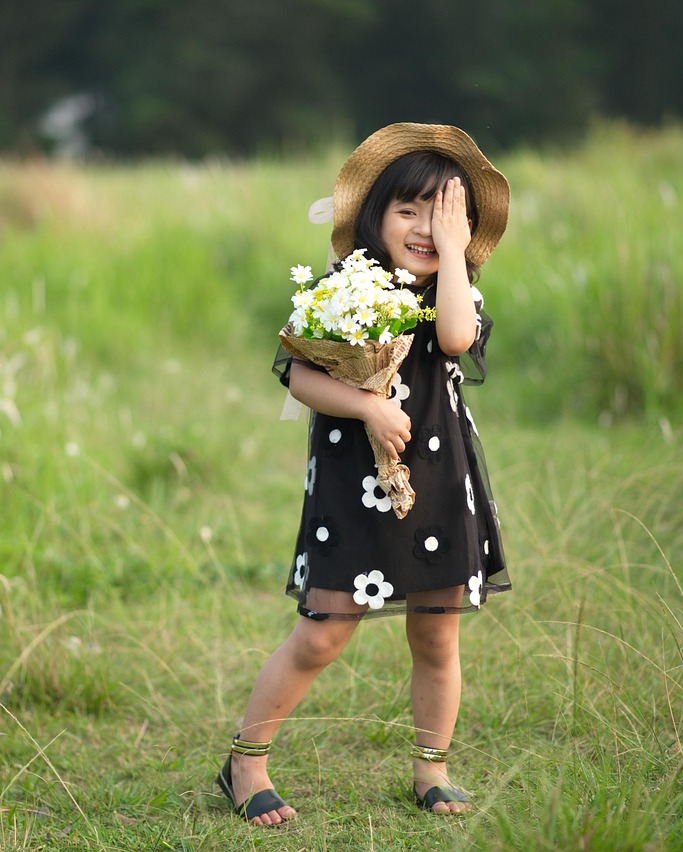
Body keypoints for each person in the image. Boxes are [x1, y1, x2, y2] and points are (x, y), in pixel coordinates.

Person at [216, 123, 513, 826]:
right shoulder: (344, 288)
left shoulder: (454, 289)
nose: (422, 227)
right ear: (375, 215)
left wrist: (452, 254)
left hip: (439, 483)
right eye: (408, 210)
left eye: (443, 214)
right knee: (323, 630)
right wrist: (367, 408)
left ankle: (430, 767)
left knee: (437, 635)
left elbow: (455, 340)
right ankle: (245, 762)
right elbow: (300, 378)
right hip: (353, 485)